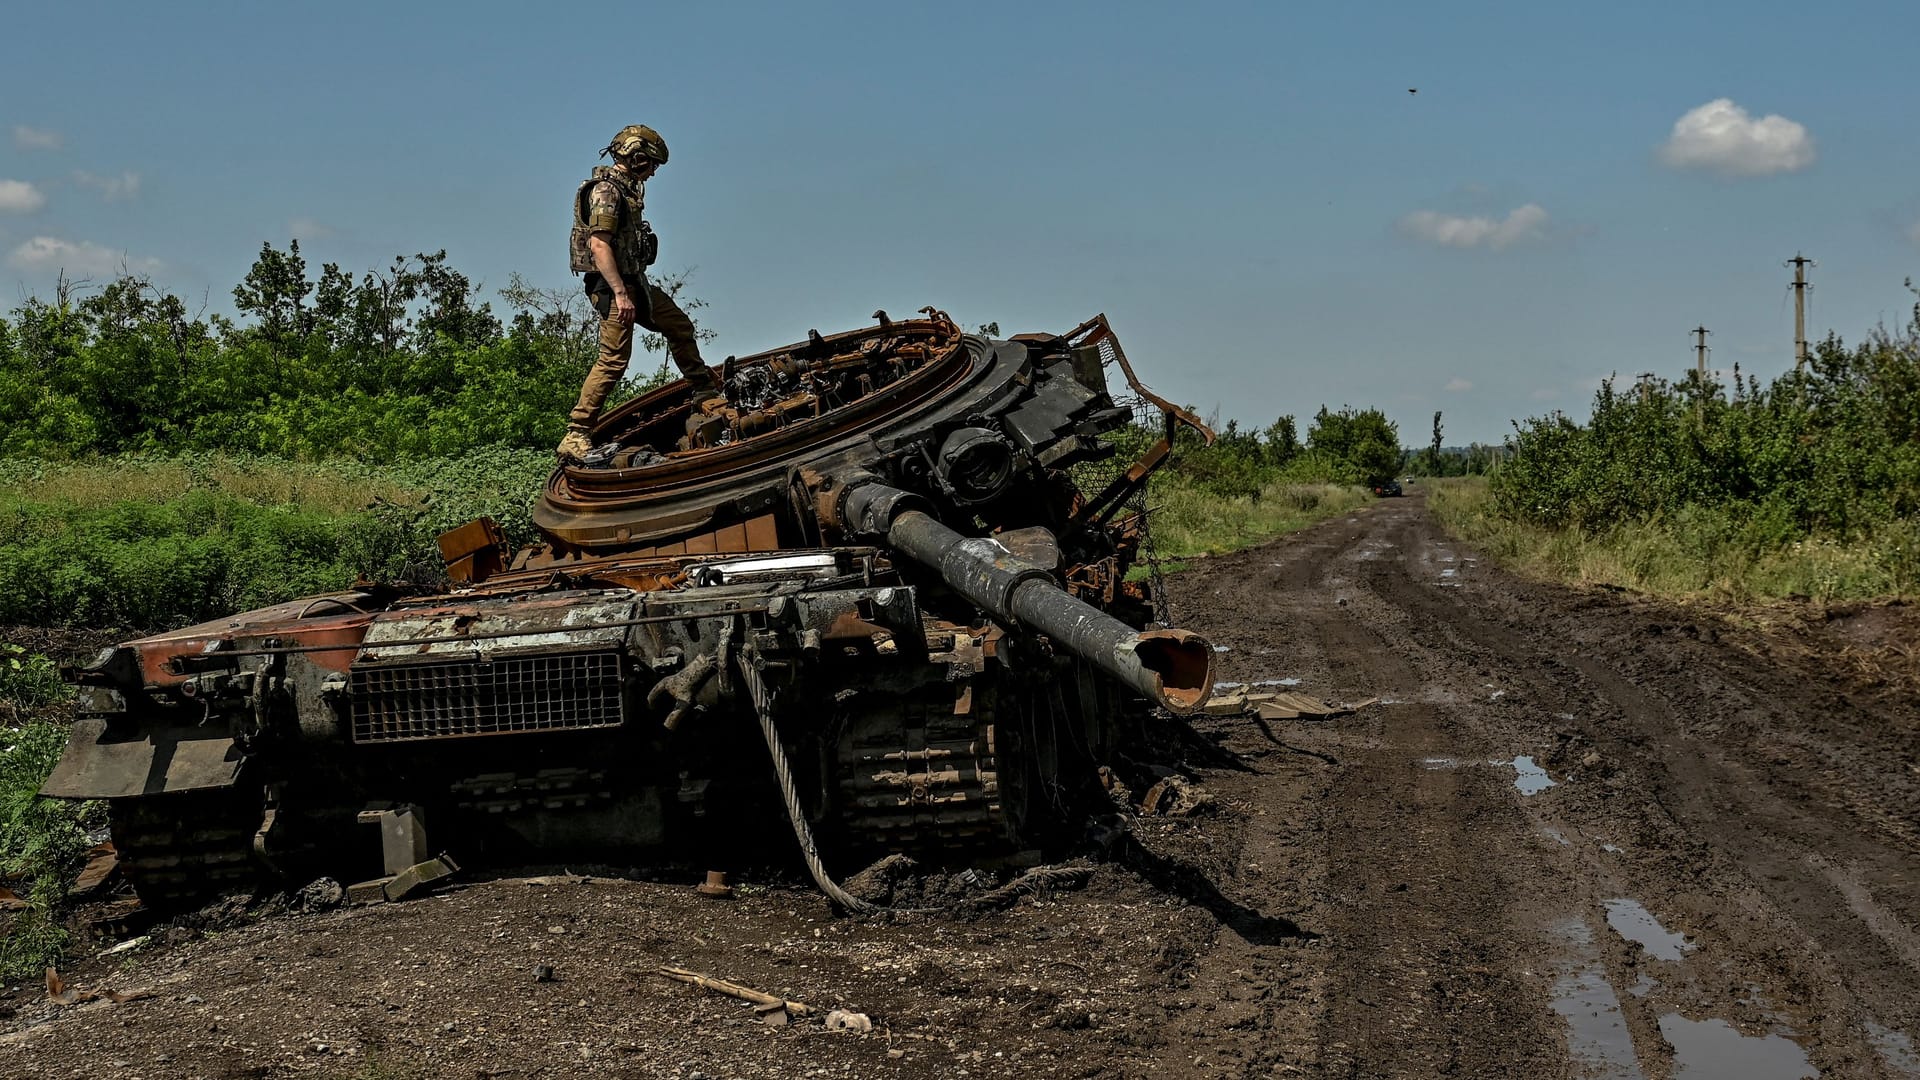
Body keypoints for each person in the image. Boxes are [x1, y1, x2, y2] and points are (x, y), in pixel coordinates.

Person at [558, 124, 723, 463]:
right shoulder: (606, 192)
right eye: (650, 165)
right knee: (613, 359)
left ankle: (703, 387)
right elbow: (599, 245)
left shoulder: (625, 191)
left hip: (635, 283)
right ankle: (576, 434)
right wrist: (620, 294)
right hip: (614, 287)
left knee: (678, 325)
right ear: (636, 157)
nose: (652, 173)